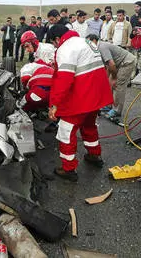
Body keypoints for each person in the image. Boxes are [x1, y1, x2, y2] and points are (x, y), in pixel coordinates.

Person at [47, 25, 113, 181]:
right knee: (89, 126)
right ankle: (94, 155)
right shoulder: (85, 42)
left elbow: (64, 79)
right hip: (95, 97)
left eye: (54, 43)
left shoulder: (66, 48)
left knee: (66, 131)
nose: (56, 47)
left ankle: (68, 169)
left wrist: (54, 104)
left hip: (80, 98)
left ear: (57, 39)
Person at [87, 34, 137, 120]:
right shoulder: (97, 49)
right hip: (117, 64)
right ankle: (109, 104)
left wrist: (114, 78)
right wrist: (106, 79)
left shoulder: (102, 47)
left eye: (89, 42)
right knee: (109, 84)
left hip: (126, 62)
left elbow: (112, 64)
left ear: (94, 40)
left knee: (118, 85)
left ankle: (116, 110)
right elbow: (108, 65)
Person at [18, 31, 55, 111]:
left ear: (34, 42)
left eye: (27, 46)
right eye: (25, 47)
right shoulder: (37, 51)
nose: (27, 50)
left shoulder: (46, 49)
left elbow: (52, 69)